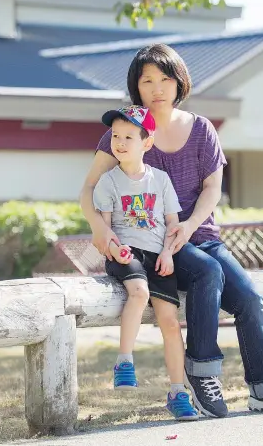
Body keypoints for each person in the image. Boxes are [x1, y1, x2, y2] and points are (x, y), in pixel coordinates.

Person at [80, 43, 263, 418]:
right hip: (151, 243)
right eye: (147, 80)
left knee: (249, 299)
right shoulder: (124, 133)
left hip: (198, 235)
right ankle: (201, 375)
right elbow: (89, 188)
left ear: (179, 81)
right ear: (136, 86)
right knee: (205, 271)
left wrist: (189, 224)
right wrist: (98, 228)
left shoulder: (201, 129)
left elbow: (212, 189)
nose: (157, 88)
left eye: (165, 79)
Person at [91, 104, 198, 421]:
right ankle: (124, 360)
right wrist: (116, 248)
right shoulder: (108, 181)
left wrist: (168, 253)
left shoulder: (161, 180)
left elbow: (172, 223)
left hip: (158, 256)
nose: (120, 143)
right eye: (115, 136)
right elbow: (105, 226)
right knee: (138, 292)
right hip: (126, 253)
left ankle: (178, 392)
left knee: (169, 321)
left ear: (146, 142)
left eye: (128, 137)